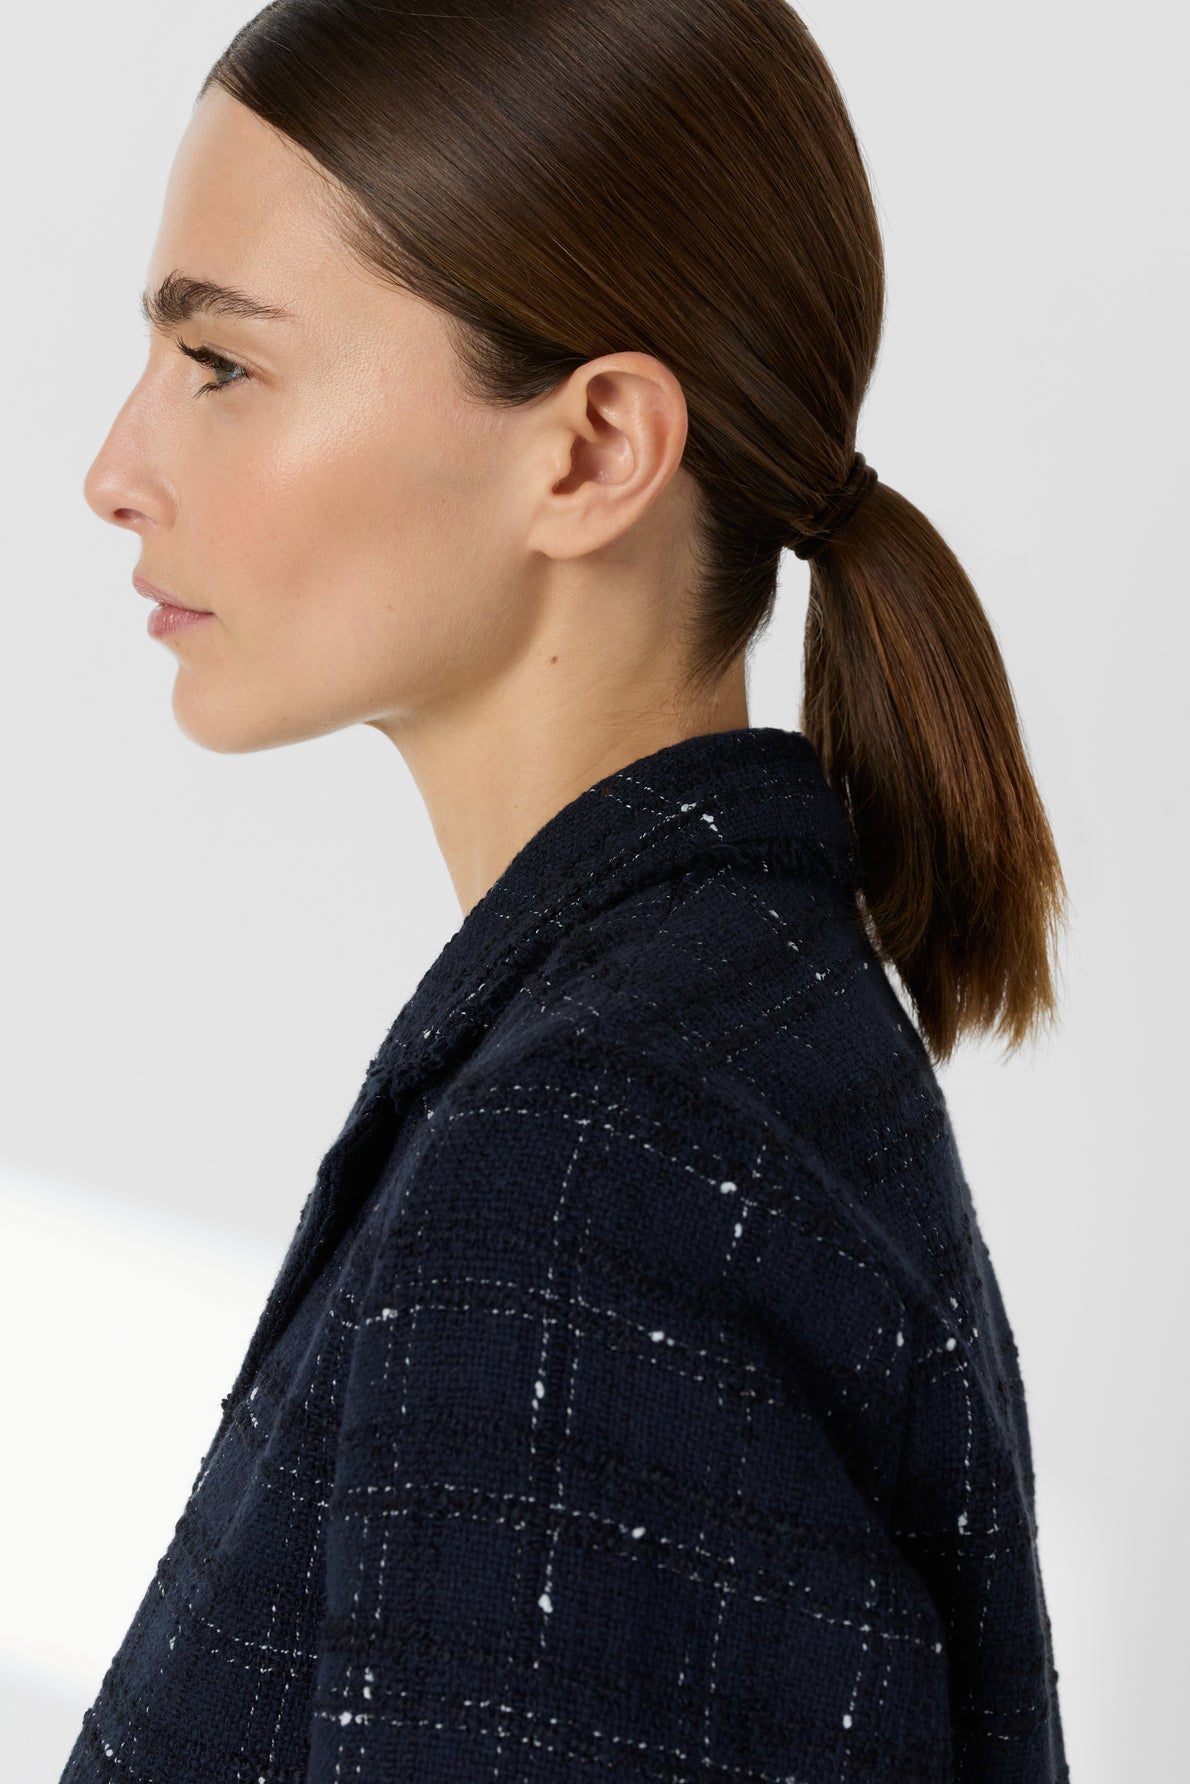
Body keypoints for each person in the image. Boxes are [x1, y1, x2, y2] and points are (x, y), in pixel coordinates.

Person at [65, 2, 1071, 1779]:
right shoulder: (705, 1036)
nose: (113, 473)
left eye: (219, 362)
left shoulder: (591, 1167)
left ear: (595, 448)